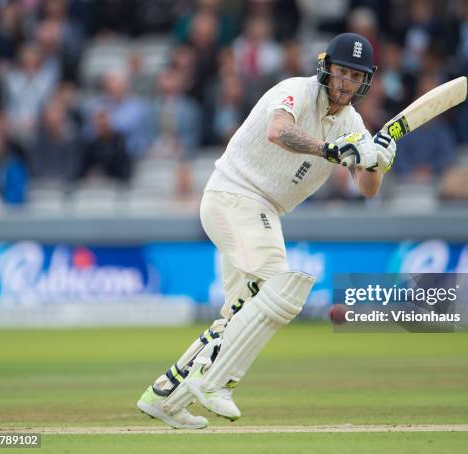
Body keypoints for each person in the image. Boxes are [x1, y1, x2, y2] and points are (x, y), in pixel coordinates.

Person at [136, 33, 397, 429]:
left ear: (366, 81)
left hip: (264, 211)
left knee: (239, 315)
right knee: (281, 287)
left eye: (355, 76)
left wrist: (377, 162)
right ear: (327, 68)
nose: (346, 83)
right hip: (233, 195)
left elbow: (366, 187)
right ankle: (217, 382)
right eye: (341, 72)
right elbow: (279, 131)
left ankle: (164, 396)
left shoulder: (353, 123)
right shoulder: (295, 91)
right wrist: (331, 150)